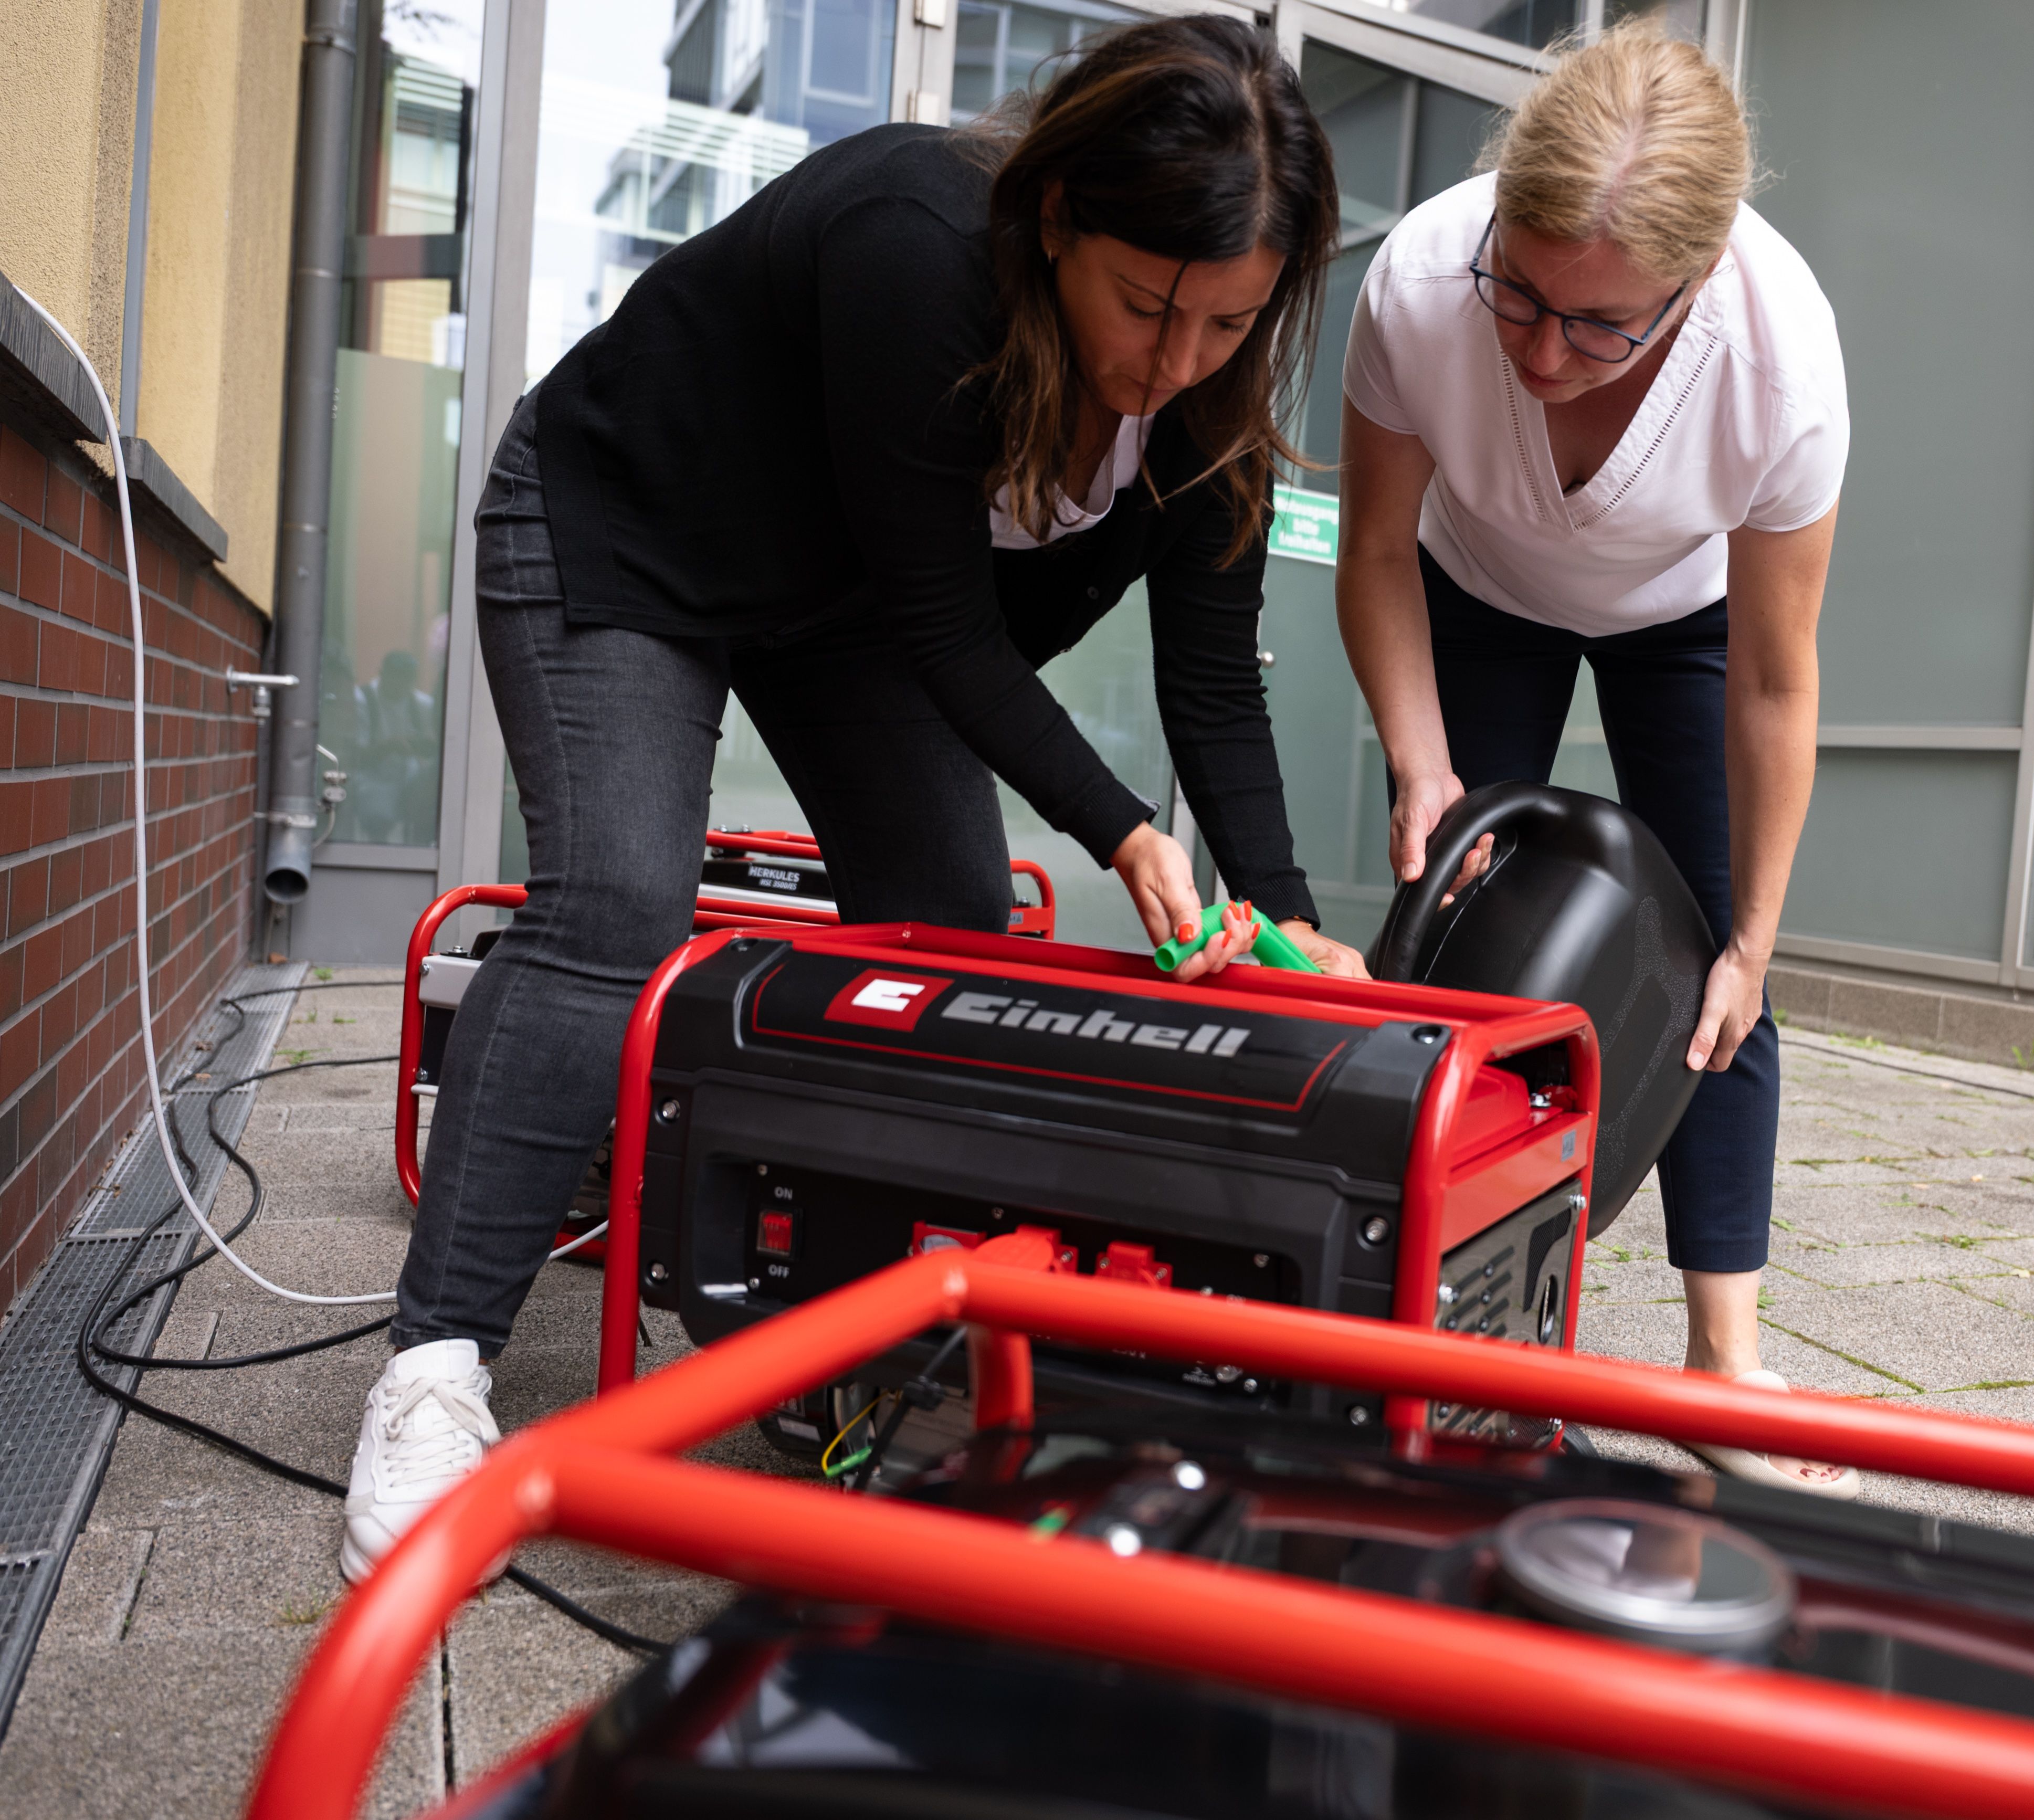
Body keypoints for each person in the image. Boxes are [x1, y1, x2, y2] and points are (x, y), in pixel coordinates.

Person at [342, 16, 1359, 1582]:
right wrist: (1125, 831)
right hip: (629, 528)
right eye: (1147, 304)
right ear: (1059, 217)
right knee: (619, 902)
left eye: (1224, 323)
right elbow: (952, 632)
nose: (1174, 362)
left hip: (837, 606)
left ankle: (820, 1325)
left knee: (949, 925)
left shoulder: (1214, 399)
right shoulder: (919, 245)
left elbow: (1214, 686)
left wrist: (1291, 920)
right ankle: (433, 1368)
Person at [1335, 25, 1851, 1493]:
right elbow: (1372, 548)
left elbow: (1774, 670)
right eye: (1525, 295)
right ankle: (1414, 1322)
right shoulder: (1426, 282)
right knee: (1448, 946)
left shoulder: (1781, 360)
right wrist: (1419, 765)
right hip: (1477, 587)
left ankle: (1723, 1366)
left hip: (1687, 622)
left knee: (1718, 987)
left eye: (1599, 324)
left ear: (1692, 286)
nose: (1543, 350)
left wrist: (1753, 929)